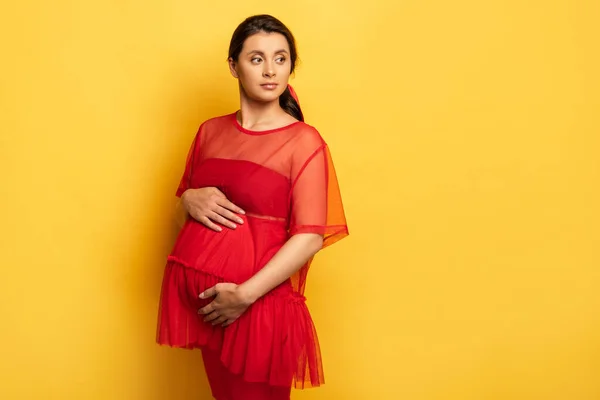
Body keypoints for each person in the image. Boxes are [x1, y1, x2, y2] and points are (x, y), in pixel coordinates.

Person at [156, 14, 349, 400]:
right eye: (256, 58)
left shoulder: (303, 141)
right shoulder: (210, 131)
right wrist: (189, 199)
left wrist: (243, 296)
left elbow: (310, 237)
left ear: (291, 66)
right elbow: (182, 218)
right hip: (210, 306)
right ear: (234, 66)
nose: (270, 71)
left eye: (280, 59)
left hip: (258, 304)